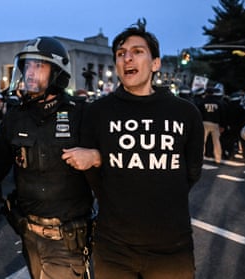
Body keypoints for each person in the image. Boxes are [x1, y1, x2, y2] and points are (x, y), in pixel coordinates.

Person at [63, 20, 204, 278]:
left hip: (172, 247)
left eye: (137, 52)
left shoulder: (185, 112)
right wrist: (99, 159)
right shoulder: (98, 112)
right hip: (114, 247)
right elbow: (92, 176)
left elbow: (192, 170)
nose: (127, 58)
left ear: (156, 63)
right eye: (120, 54)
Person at [0, 36, 95, 279]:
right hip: (27, 235)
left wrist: (96, 155)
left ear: (57, 72)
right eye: (27, 66)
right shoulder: (15, 118)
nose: (30, 73)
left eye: (39, 66)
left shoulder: (81, 114)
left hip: (66, 239)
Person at [197, 87, 226, 164]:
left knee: (202, 141)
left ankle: (200, 158)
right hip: (215, 124)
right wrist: (222, 125)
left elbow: (199, 113)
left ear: (206, 93)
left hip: (204, 123)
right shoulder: (218, 102)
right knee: (216, 142)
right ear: (213, 93)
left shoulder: (202, 102)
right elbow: (222, 115)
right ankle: (218, 159)